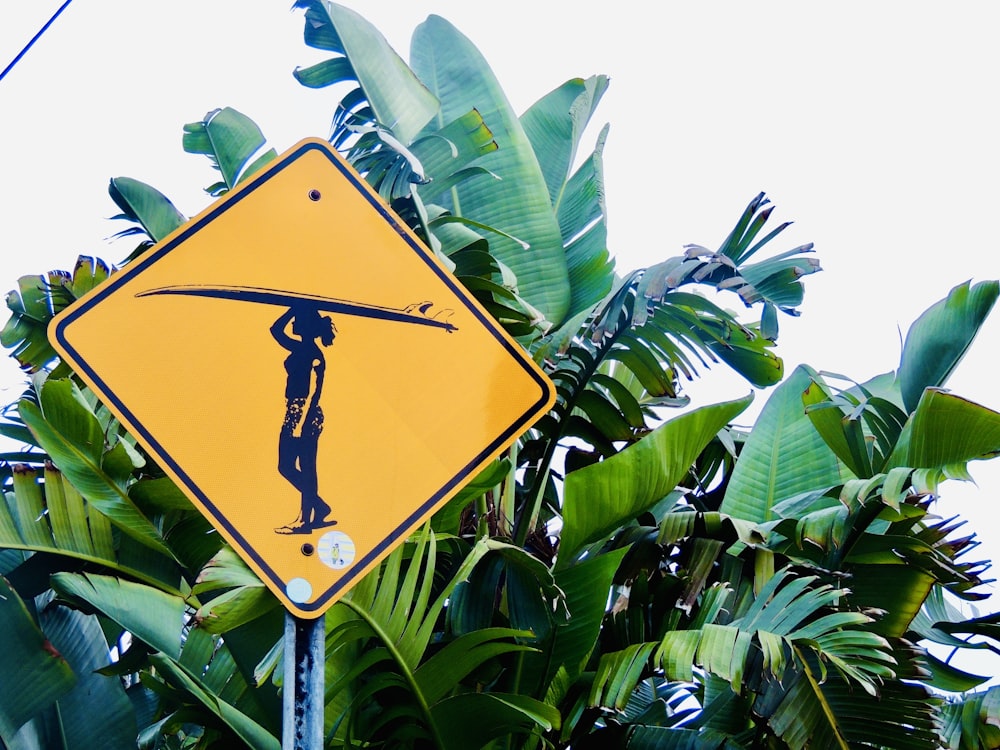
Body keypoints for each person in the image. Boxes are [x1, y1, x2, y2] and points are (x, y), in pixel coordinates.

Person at [270, 303, 337, 534]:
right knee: (285, 466)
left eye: (298, 319)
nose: (293, 323)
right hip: (295, 411)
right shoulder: (299, 348)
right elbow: (275, 330)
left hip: (306, 413)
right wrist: (294, 307)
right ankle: (318, 507)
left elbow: (313, 392)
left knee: (306, 467)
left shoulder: (314, 356)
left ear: (307, 326)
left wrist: (300, 423)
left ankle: (304, 520)